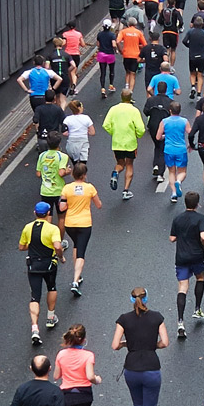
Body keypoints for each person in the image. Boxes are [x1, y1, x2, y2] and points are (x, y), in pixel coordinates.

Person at [114, 288, 170, 406]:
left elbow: (115, 345)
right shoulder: (157, 318)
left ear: (131, 300)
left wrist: (127, 344)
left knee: (138, 405)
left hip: (131, 369)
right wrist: (151, 345)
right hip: (152, 367)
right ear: (146, 298)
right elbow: (165, 342)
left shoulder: (124, 319)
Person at [19, 203, 64, 344]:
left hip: (33, 265)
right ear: (48, 213)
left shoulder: (28, 227)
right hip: (49, 264)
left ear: (35, 213)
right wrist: (61, 256)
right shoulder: (52, 228)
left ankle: (34, 328)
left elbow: (21, 247)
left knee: (35, 296)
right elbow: (57, 246)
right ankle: (50, 317)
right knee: (51, 287)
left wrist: (31, 246)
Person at [58, 162, 100, 295]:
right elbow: (99, 205)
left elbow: (61, 208)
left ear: (72, 174)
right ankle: (75, 280)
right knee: (81, 252)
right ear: (85, 175)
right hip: (84, 224)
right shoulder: (90, 188)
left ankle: (78, 274)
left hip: (70, 224)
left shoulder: (66, 188)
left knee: (76, 245)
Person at [171, 191, 204, 332]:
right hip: (197, 255)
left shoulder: (178, 219)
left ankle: (180, 322)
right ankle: (197, 309)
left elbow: (172, 238)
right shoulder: (200, 219)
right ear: (198, 204)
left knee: (182, 287)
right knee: (200, 278)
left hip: (181, 256)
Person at [102, 91, 146, 199]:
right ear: (130, 98)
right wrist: (137, 135)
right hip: (130, 143)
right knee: (129, 165)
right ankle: (126, 190)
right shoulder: (134, 111)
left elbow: (105, 124)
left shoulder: (113, 109)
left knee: (120, 163)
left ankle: (115, 172)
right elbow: (141, 129)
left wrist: (114, 132)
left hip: (117, 142)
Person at [158, 95, 191, 203]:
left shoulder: (164, 121)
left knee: (171, 171)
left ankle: (173, 194)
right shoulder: (184, 121)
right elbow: (190, 133)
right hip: (181, 150)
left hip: (168, 150)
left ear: (170, 110)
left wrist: (165, 136)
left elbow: (158, 137)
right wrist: (191, 144)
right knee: (182, 171)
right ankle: (179, 181)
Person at [94, 22, 120, 94]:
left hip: (101, 54)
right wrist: (116, 50)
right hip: (110, 55)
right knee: (111, 70)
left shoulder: (99, 34)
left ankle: (103, 88)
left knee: (103, 72)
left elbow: (98, 44)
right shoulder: (112, 35)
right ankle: (111, 85)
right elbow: (114, 45)